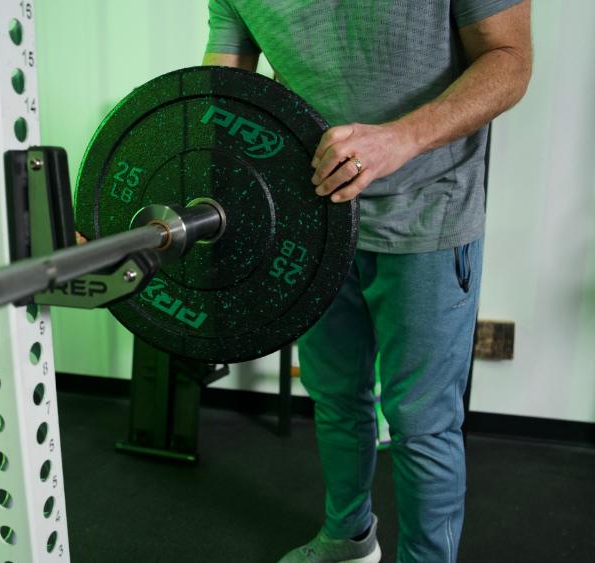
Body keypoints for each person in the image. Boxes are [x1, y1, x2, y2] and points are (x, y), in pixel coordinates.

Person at [203, 1, 532, 562]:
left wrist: (402, 137)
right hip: (314, 217)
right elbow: (225, 91)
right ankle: (348, 539)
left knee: (421, 421)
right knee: (335, 399)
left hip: (431, 208)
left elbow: (510, 58)